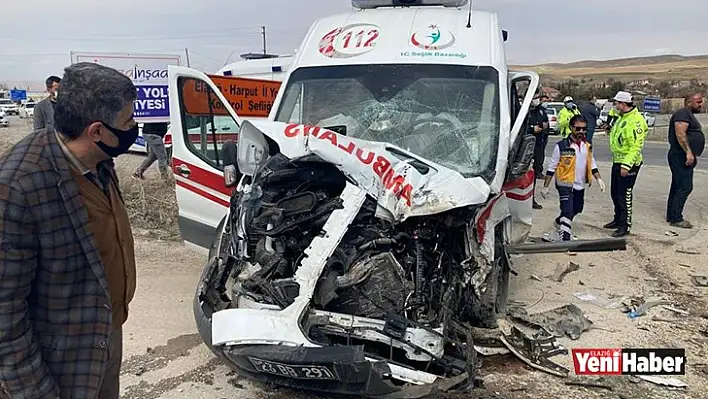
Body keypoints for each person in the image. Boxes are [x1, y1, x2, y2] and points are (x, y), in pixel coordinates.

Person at [0, 62, 137, 398]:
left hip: (104, 334)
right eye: (128, 121)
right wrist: (35, 391)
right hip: (59, 363)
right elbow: (4, 314)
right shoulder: (19, 187)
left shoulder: (98, 159)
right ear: (96, 131)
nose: (135, 127)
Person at [540, 115, 605, 242]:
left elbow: (592, 163)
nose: (581, 132)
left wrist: (599, 179)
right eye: (578, 129)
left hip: (580, 184)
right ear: (571, 128)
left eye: (583, 129)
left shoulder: (587, 146)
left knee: (577, 208)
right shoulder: (562, 146)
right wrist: (546, 186)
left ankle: (560, 223)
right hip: (565, 184)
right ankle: (565, 238)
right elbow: (552, 167)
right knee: (567, 210)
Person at [603, 91, 648, 237]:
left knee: (624, 195)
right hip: (617, 160)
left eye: (616, 103)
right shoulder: (622, 116)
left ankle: (625, 225)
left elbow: (636, 146)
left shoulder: (635, 120)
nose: (614, 106)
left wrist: (626, 165)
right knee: (615, 193)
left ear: (623, 104)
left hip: (629, 164)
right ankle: (617, 219)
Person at [665, 93, 705, 229]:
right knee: (685, 187)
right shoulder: (683, 113)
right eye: (698, 102)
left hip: (681, 155)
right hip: (680, 156)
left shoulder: (687, 114)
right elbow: (680, 134)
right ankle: (676, 218)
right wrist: (688, 152)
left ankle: (672, 215)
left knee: (677, 186)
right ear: (689, 102)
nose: (701, 104)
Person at [526, 96, 550, 209]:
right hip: (527, 146)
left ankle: (531, 199)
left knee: (534, 174)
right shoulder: (524, 109)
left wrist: (545, 128)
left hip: (539, 145)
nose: (536, 100)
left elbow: (545, 123)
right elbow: (519, 126)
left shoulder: (541, 110)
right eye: (534, 97)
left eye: (537, 98)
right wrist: (532, 129)